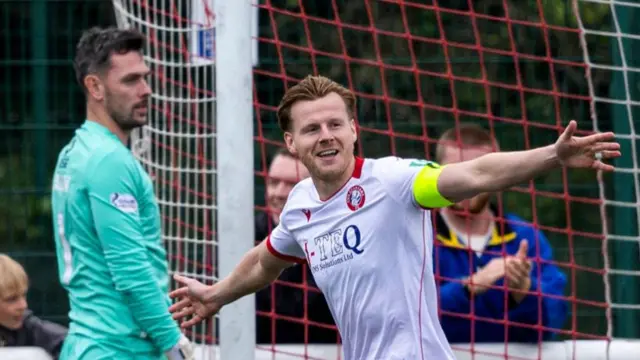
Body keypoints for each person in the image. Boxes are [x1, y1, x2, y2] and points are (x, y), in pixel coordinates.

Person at [168, 75, 620, 360]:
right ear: (291, 142)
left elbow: (478, 172)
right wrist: (218, 295)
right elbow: (268, 258)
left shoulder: (394, 182)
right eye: (312, 129)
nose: (326, 137)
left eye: (335, 125)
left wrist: (553, 156)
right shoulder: (301, 204)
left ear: (353, 130)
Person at [50, 27, 193, 360]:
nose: (145, 90)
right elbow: (130, 270)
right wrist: (174, 344)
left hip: (89, 343)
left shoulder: (74, 152)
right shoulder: (108, 161)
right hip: (120, 349)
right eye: (130, 81)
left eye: (144, 78)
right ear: (95, 87)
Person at [432, 124, 568, 343]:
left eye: (479, 171)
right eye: (457, 170)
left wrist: (524, 292)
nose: (467, 181)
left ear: (498, 176)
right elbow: (404, 316)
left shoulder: (525, 236)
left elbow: (553, 321)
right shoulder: (416, 235)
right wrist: (469, 286)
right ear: (438, 172)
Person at [254, 149, 337, 344]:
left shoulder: (338, 238)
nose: (279, 193)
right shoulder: (248, 235)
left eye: (292, 185)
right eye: (273, 183)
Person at [0, 254, 67, 359]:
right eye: (11, 299)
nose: (23, 305)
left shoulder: (27, 327)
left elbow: (68, 343)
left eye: (24, 295)